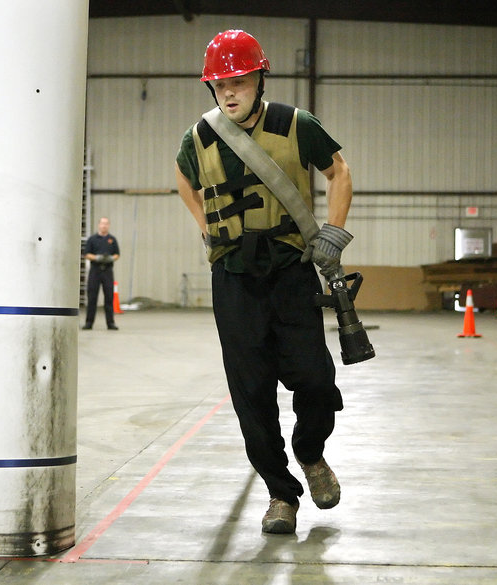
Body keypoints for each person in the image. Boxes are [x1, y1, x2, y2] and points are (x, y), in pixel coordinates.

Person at [174, 30, 354, 534]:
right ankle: (281, 493)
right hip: (233, 279)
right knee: (250, 394)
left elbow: (338, 172)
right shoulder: (199, 137)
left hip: (291, 274)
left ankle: (311, 455)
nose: (229, 92)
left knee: (315, 381)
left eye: (239, 80)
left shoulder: (296, 125)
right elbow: (183, 177)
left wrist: (334, 234)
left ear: (259, 78)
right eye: (219, 84)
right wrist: (206, 228)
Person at [82, 217, 120, 330]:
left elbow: (117, 254)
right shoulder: (92, 239)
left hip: (107, 271)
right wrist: (97, 258)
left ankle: (110, 323)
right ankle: (89, 322)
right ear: (99, 225)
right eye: (102, 224)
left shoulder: (112, 240)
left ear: (108, 225)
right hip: (95, 271)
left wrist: (110, 258)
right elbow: (86, 254)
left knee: (109, 297)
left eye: (106, 224)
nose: (104, 226)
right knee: (92, 297)